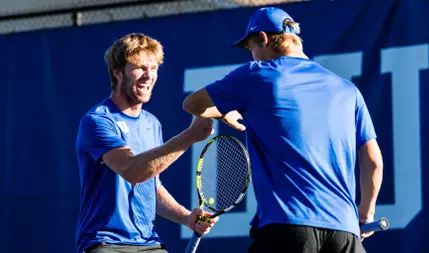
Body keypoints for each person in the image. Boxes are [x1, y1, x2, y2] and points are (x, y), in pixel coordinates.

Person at [183, 7, 383, 253]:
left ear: (264, 39)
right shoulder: (347, 90)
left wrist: (225, 110)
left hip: (287, 228)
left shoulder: (256, 75)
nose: (252, 56)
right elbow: (373, 161)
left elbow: (192, 104)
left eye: (251, 49)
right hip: (345, 234)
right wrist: (364, 213)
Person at [75, 33, 217, 253]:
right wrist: (190, 136)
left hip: (149, 243)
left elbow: (150, 185)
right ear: (118, 73)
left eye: (154, 68)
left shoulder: (152, 123)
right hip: (106, 243)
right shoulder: (97, 121)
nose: (148, 76)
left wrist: (187, 217)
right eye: (140, 67)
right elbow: (132, 171)